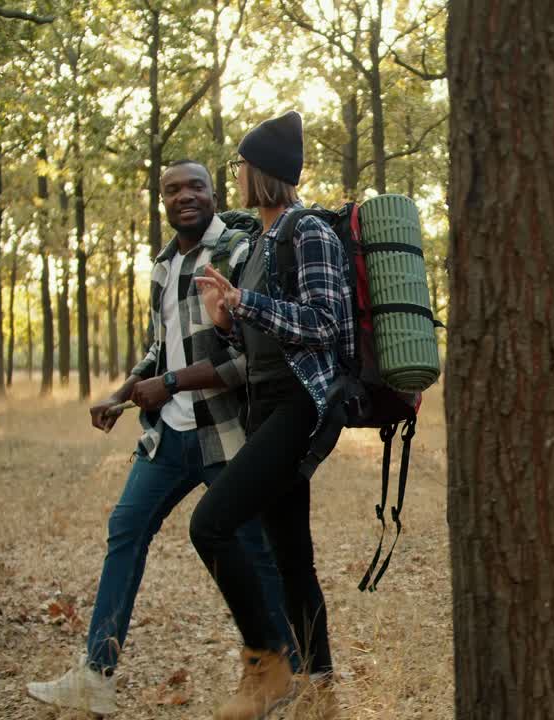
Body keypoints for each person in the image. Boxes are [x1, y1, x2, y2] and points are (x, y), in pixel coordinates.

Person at [26, 160, 300, 715]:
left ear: (214, 192)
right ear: (162, 199)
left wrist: (168, 382)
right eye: (173, 189)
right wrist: (123, 394)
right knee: (125, 530)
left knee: (251, 549)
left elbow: (247, 358)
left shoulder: (240, 253)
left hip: (224, 434)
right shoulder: (163, 265)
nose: (185, 197)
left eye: (195, 186)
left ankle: (287, 670)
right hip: (167, 437)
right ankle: (96, 675)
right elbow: (160, 350)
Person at [190, 111, 351, 720]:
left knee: (210, 525)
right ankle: (321, 687)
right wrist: (228, 319)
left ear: (261, 172)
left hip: (300, 406)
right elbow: (259, 341)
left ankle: (267, 658)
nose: (235, 173)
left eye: (240, 164)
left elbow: (325, 326)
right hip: (265, 405)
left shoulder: (308, 231)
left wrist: (246, 301)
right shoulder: (258, 241)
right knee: (291, 557)